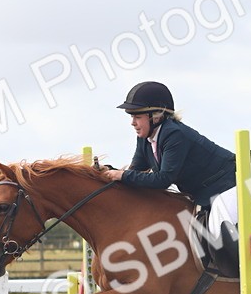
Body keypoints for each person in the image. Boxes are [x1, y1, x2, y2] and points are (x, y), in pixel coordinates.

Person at [102, 81, 239, 239]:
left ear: (156, 116)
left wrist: (121, 175)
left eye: (137, 117)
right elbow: (134, 173)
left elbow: (164, 179)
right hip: (201, 193)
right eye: (132, 116)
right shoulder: (144, 138)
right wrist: (110, 172)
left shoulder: (174, 134)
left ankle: (248, 263)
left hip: (227, 187)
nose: (133, 123)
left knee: (218, 236)